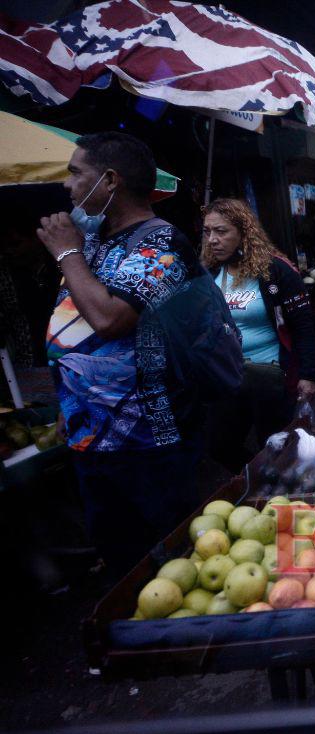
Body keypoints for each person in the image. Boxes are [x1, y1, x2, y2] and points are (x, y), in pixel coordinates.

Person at [38, 131, 200, 577]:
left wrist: (66, 252)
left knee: (165, 564)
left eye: (76, 174)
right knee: (120, 561)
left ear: (109, 180)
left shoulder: (162, 243)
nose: (67, 186)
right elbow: (75, 324)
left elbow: (111, 319)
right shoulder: (96, 242)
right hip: (91, 436)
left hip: (144, 439)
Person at [201, 198, 315, 472]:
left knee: (277, 446)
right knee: (219, 445)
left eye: (221, 231)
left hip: (271, 377)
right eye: (207, 232)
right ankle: (260, 478)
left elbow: (302, 326)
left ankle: (279, 493)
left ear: (244, 232)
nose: (212, 240)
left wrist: (309, 375)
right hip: (228, 378)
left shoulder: (275, 272)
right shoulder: (209, 272)